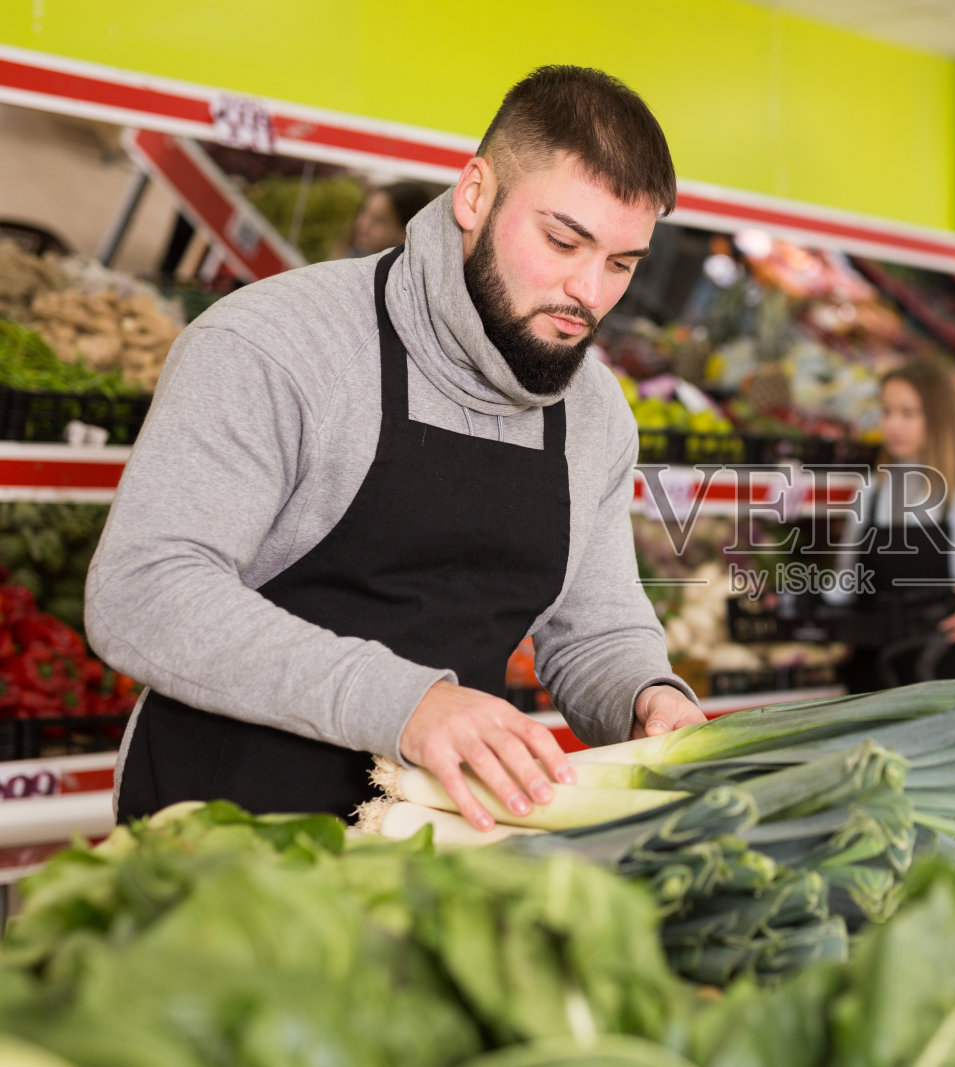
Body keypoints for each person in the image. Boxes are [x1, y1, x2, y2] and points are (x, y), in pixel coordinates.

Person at [87, 66, 706, 830]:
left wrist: (650, 694)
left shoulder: (596, 412)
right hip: (213, 840)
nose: (589, 291)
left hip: (425, 854)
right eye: (562, 240)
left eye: (621, 263)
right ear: (475, 194)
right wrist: (405, 705)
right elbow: (142, 592)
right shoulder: (275, 344)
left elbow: (597, 626)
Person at [832, 360, 955, 692]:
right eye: (886, 411)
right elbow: (845, 586)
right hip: (870, 688)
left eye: (908, 413)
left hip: (947, 686)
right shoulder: (871, 491)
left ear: (938, 419)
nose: (893, 425)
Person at [347, 181, 436, 258]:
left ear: (406, 233)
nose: (363, 224)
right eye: (363, 211)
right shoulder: (354, 255)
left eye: (378, 220)